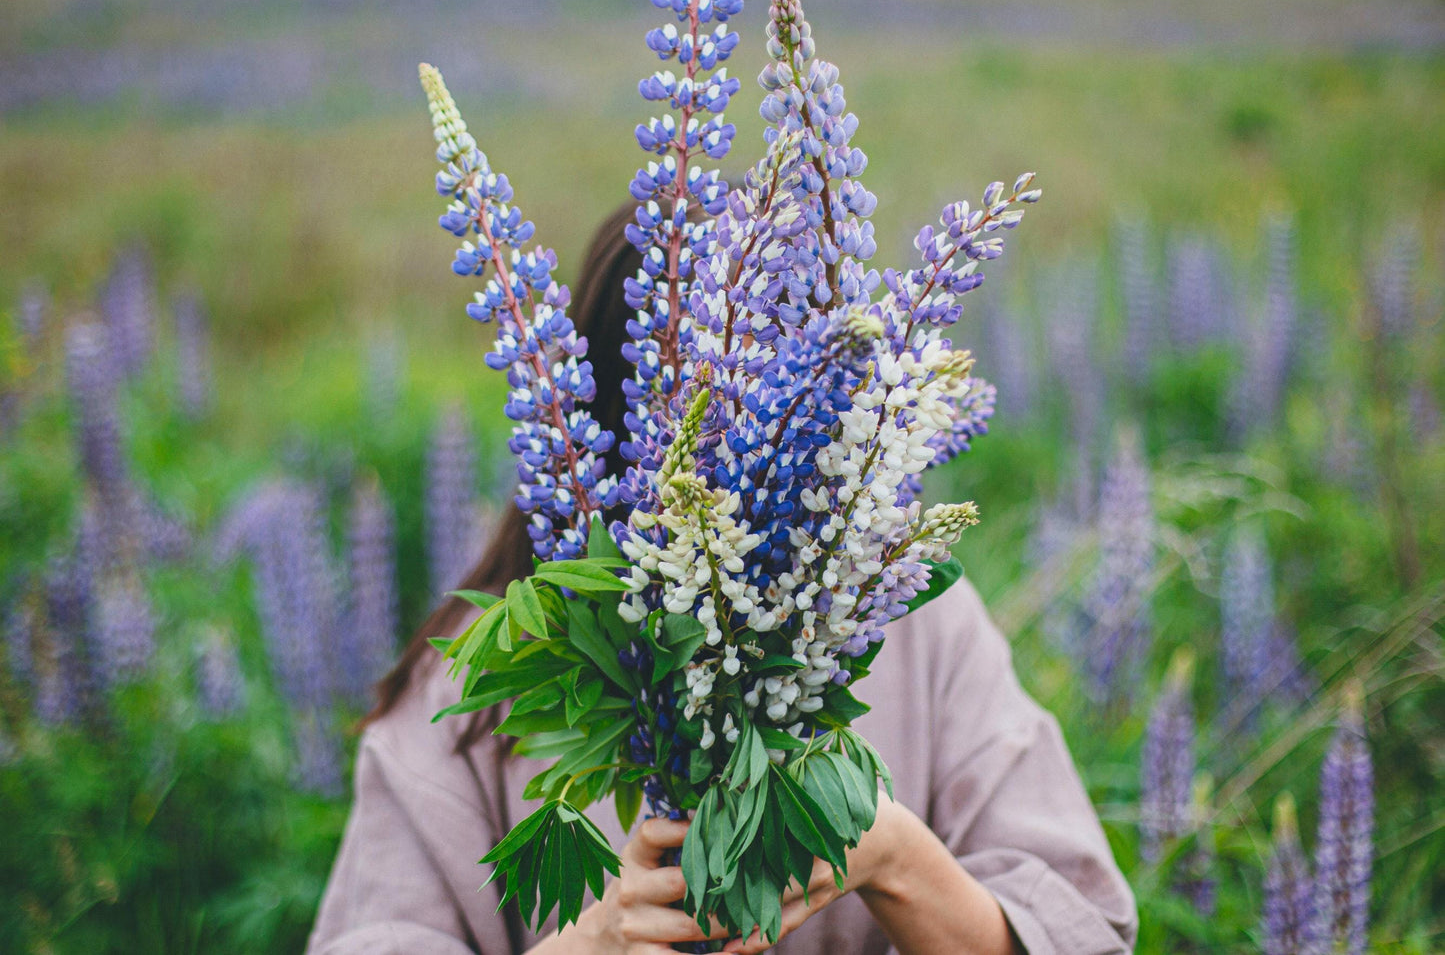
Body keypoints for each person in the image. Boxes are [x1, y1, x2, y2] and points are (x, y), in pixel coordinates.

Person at [307, 203, 1138, 955]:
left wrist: (889, 853)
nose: (760, 441)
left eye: (796, 391)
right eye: (717, 408)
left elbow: (1084, 931)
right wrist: (588, 946)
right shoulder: (477, 664)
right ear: (595, 429)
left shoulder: (907, 607)